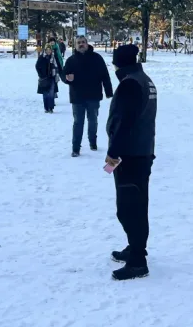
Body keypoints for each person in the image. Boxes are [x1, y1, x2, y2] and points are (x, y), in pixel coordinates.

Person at [105, 44, 157, 281]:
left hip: (131, 155)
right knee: (136, 205)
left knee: (129, 208)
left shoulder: (130, 83)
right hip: (141, 152)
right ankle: (134, 248)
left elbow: (124, 122)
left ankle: (138, 260)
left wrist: (114, 152)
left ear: (119, 63)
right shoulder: (143, 79)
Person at [63, 36, 113, 157]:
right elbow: (64, 74)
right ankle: (76, 148)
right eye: (78, 43)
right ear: (75, 45)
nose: (81, 44)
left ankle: (93, 142)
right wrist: (67, 79)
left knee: (93, 121)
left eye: (83, 42)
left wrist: (108, 91)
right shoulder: (71, 60)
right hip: (77, 96)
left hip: (93, 95)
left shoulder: (97, 58)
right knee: (78, 122)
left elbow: (105, 75)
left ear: (87, 44)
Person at [36, 44, 59, 113]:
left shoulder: (53, 57)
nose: (49, 51)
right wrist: (41, 74)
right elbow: (37, 66)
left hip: (52, 77)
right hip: (44, 78)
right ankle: (46, 108)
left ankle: (51, 108)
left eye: (50, 50)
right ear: (45, 50)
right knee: (45, 93)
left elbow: (56, 66)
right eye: (47, 50)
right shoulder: (42, 57)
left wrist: (56, 75)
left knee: (51, 93)